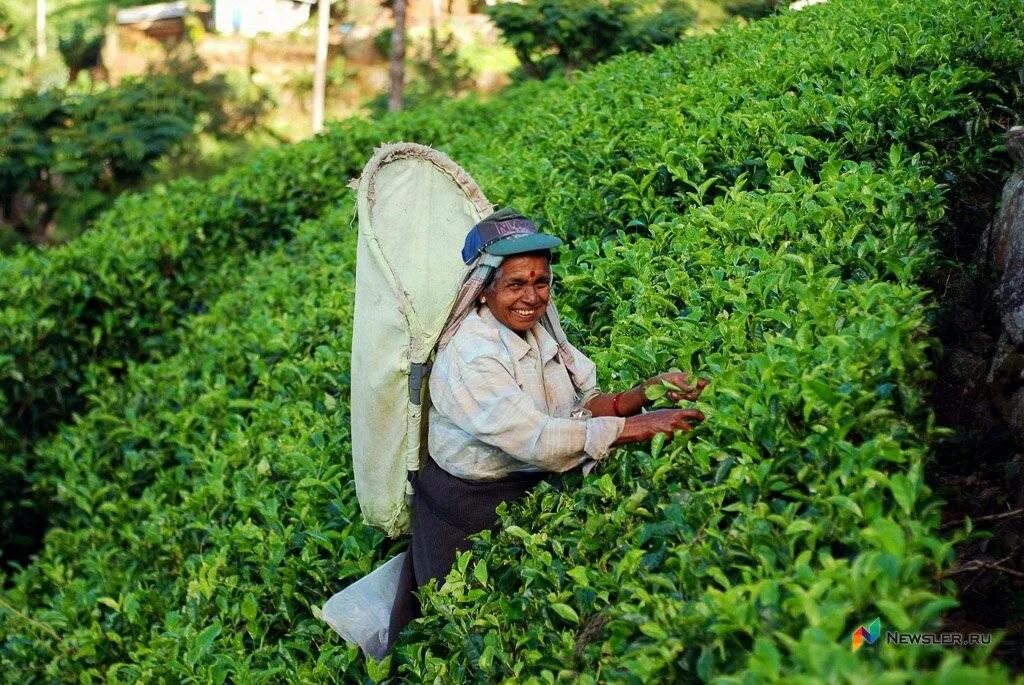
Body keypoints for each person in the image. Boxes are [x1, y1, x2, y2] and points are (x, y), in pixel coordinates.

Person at [386, 208, 708, 651]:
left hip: (523, 490)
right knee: (463, 634)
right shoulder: (470, 356)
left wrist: (641, 395)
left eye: (541, 282)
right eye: (516, 284)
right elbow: (536, 438)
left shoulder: (538, 333)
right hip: (467, 509)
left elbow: (574, 411)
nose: (532, 296)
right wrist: (632, 428)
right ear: (484, 291)